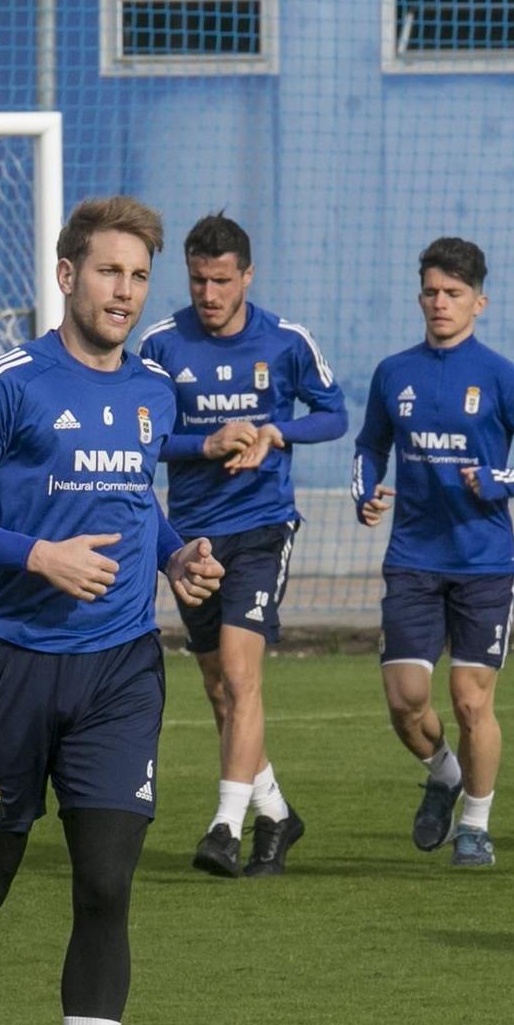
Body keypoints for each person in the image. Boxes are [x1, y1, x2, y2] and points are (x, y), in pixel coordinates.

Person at [0, 197, 223, 1025]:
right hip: (9, 663)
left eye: (137, 276)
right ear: (65, 275)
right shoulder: (8, 382)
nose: (123, 291)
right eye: (107, 272)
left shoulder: (151, 392)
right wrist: (32, 553)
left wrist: (175, 557)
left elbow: (137, 494)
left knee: (104, 882)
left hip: (121, 669)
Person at [139, 212, 347, 877]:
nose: (209, 293)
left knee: (238, 670)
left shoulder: (286, 341)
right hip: (193, 536)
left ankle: (225, 827)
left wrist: (274, 433)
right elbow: (140, 438)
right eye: (199, 279)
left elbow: (335, 414)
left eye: (222, 280)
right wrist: (203, 442)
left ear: (247, 277)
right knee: (219, 690)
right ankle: (277, 815)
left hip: (262, 525)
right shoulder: (162, 346)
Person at [352, 237, 514, 868]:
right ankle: (443, 772)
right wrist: (366, 492)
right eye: (431, 292)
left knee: (472, 701)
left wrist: (502, 482)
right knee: (405, 699)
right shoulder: (395, 372)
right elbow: (370, 446)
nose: (440, 303)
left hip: (484, 563)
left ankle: (475, 824)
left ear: (480, 301)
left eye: (453, 293)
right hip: (413, 558)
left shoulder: (499, 375)